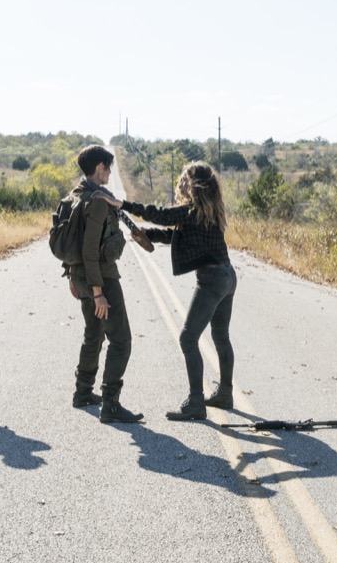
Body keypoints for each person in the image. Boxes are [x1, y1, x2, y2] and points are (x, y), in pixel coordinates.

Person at [97, 160, 236, 422]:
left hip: (213, 280)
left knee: (187, 338)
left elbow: (160, 214)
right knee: (221, 336)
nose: (180, 182)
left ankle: (196, 402)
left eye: (184, 178)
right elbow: (178, 237)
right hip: (228, 276)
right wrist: (146, 234)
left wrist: (123, 205)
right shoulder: (208, 212)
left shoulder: (192, 211)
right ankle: (225, 393)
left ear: (195, 185)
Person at [65, 145, 142, 423]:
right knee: (121, 341)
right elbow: (88, 249)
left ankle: (83, 392)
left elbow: (71, 240)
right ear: (99, 167)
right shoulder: (97, 201)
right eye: (108, 167)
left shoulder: (75, 195)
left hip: (82, 277)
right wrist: (98, 293)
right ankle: (110, 404)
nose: (110, 172)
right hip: (102, 279)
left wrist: (73, 277)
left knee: (94, 334)